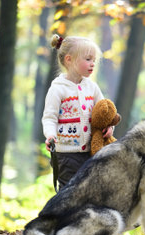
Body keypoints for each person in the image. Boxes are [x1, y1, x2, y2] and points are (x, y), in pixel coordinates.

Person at [42, 34, 114, 190]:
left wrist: (109, 126)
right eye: (88, 59)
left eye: (94, 60)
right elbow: (49, 118)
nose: (92, 64)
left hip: (90, 152)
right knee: (69, 192)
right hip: (66, 155)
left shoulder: (92, 87)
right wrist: (50, 135)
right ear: (69, 59)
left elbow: (104, 111)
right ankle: (65, 215)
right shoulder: (58, 89)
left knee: (90, 191)